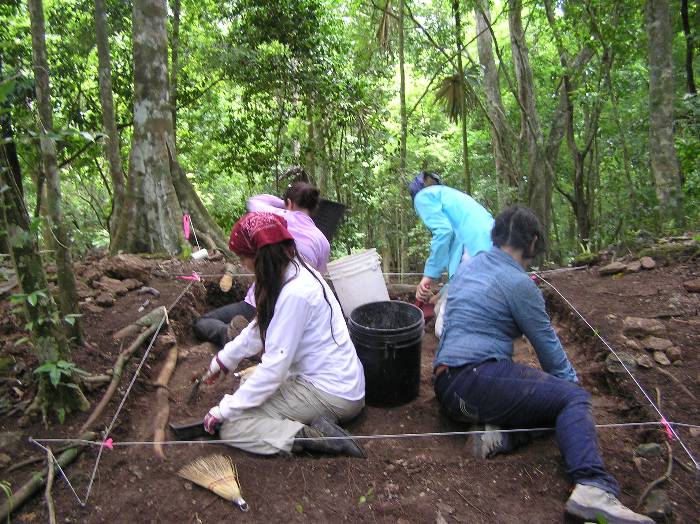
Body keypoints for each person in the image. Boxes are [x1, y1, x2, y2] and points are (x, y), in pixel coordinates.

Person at [432, 206, 653, 524]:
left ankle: (499, 436)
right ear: (533, 243)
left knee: (554, 407)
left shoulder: (470, 266)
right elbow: (550, 352)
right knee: (571, 402)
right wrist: (574, 396)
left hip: (448, 389)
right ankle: (592, 486)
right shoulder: (518, 283)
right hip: (478, 378)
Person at [202, 212, 366, 457]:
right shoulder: (294, 272)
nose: (241, 264)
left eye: (242, 257)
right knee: (248, 383)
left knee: (233, 425)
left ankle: (315, 437)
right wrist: (224, 359)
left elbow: (274, 369)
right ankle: (317, 423)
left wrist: (224, 411)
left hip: (332, 392)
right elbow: (259, 328)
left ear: (259, 257)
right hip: (339, 380)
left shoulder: (295, 293)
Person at [193, 182, 330, 348]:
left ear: (290, 203)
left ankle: (232, 337)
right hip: (292, 313)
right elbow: (319, 275)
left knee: (202, 322)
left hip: (258, 302)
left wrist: (284, 204)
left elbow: (255, 201)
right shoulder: (322, 240)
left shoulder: (276, 217)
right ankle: (257, 340)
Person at [408, 172, 494, 336]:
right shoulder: (453, 202)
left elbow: (443, 232)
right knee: (442, 306)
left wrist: (428, 277)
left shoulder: (422, 197)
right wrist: (440, 294)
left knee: (444, 330)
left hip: (477, 251)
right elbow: (460, 268)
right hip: (492, 248)